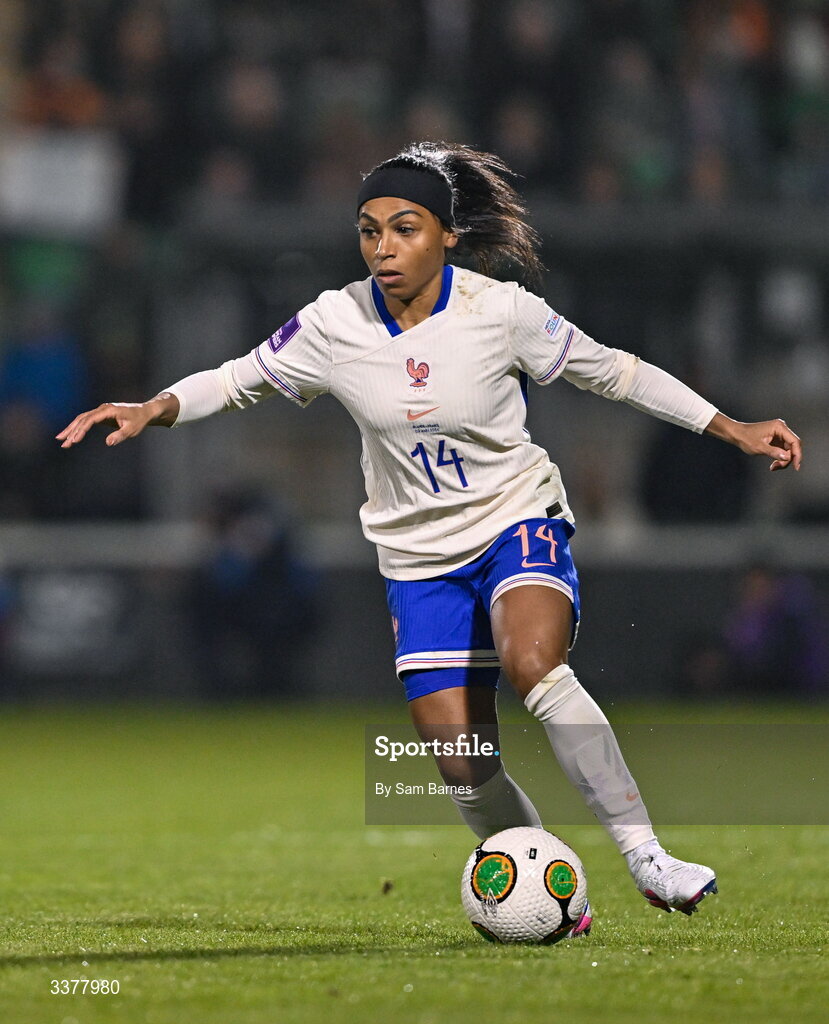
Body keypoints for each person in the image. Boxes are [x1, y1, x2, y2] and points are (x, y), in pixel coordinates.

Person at [57, 142, 802, 933]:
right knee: (460, 765)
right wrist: (151, 407)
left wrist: (728, 426)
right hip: (417, 559)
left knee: (532, 664)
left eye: (403, 228)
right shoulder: (333, 322)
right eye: (369, 230)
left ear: (446, 234)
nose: (383, 247)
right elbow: (234, 379)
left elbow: (611, 369)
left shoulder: (500, 311)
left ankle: (648, 857)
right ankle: (546, 886)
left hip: (515, 519)